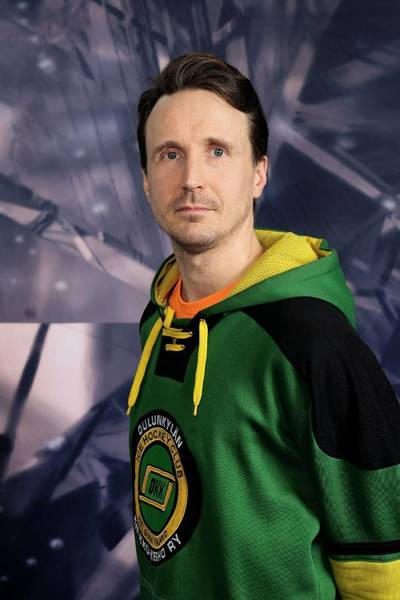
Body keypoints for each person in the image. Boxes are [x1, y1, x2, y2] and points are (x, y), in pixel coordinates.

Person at [126, 52, 400, 599]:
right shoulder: (159, 317)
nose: (191, 179)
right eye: (170, 154)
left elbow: (382, 566)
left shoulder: (315, 344)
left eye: (218, 151)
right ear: (147, 181)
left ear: (258, 173)